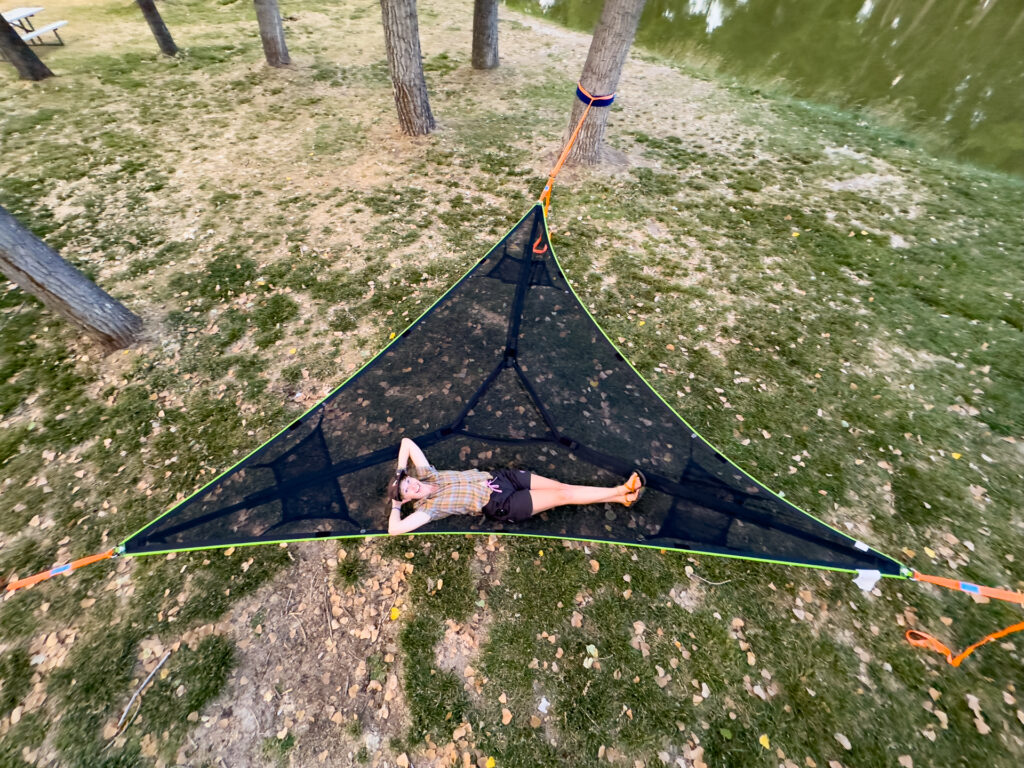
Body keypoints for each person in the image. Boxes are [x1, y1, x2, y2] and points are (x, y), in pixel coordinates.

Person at [387, 437, 644, 535]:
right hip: (501, 505)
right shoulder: (427, 509)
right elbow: (394, 530)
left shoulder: (428, 475)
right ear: (409, 499)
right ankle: (622, 490)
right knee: (563, 495)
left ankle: (622, 499)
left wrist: (400, 471)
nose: (413, 487)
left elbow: (407, 443)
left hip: (501, 479)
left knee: (562, 487)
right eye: (407, 490)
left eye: (409, 482)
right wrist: (396, 505)